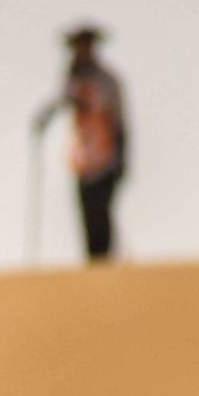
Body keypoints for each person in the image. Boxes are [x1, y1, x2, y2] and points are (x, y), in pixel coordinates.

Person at [34, 21, 131, 263]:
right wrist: (43, 119)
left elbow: (120, 124)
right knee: (86, 215)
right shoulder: (73, 81)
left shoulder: (108, 82)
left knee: (101, 213)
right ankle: (93, 267)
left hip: (106, 159)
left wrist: (122, 159)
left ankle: (104, 264)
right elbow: (59, 102)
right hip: (83, 161)